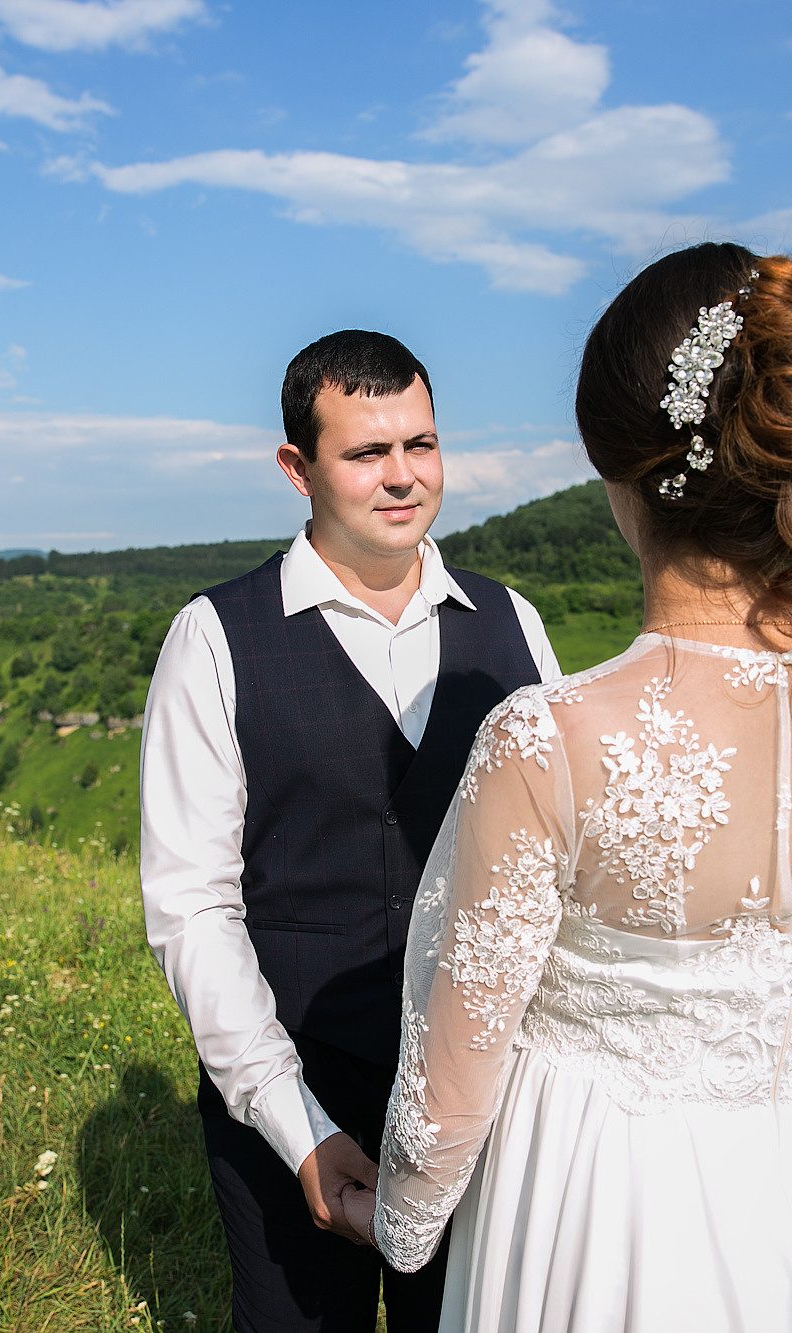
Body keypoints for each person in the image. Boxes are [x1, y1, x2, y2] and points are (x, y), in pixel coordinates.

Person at [344, 244, 792, 1332]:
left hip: (599, 1214)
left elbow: (447, 1096)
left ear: (617, 470)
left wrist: (391, 1219)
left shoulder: (550, 742)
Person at [140, 330, 563, 1333]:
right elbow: (191, 909)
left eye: (419, 444)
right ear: (297, 468)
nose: (402, 477)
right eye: (365, 453)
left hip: (479, 1100)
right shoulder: (215, 636)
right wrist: (297, 1128)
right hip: (288, 1083)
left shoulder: (514, 624)